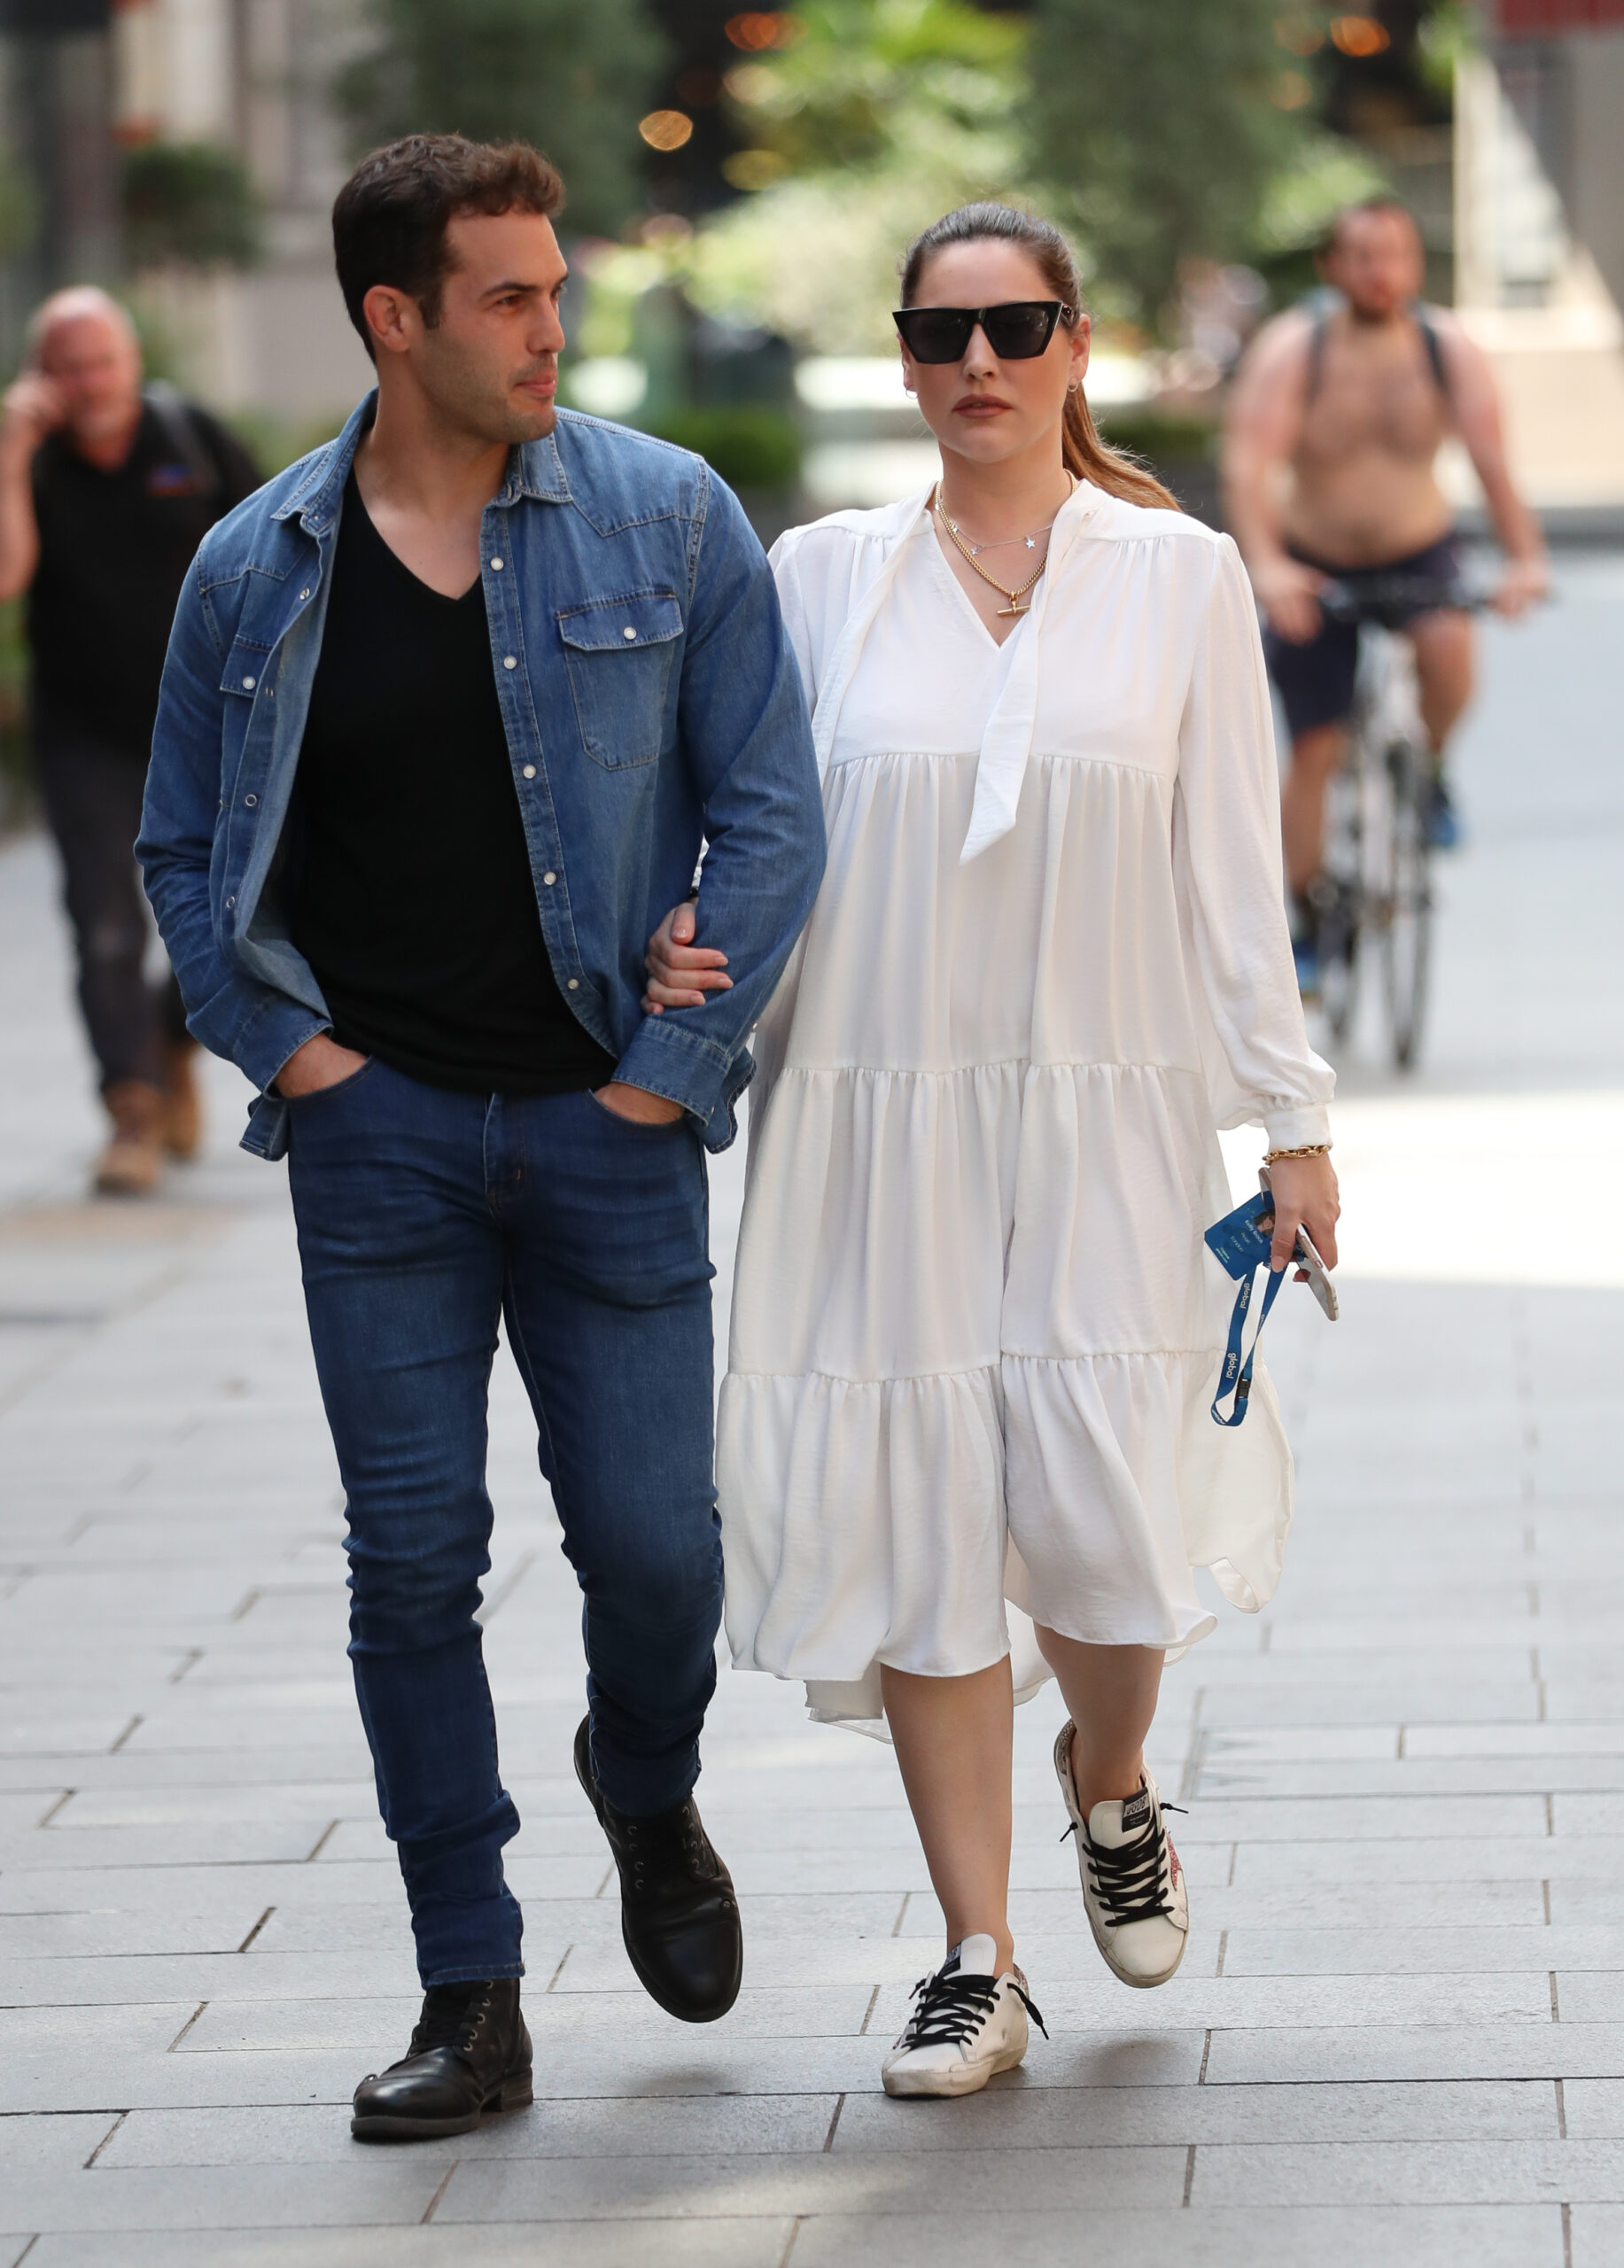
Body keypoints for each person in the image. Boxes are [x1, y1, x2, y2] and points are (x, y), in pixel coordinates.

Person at [137, 135, 824, 2140]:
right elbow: (179, 847)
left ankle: (644, 1781)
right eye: (509, 296)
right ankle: (470, 1986)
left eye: (553, 287)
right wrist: (296, 1057)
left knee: (658, 1553)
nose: (551, 328)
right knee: (412, 1563)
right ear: (395, 318)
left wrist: (666, 1072)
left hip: (611, 1126)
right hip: (384, 1146)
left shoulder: (666, 515)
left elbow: (769, 809)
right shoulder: (253, 565)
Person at [645, 203, 1339, 2099]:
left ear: (1074, 345)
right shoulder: (818, 575)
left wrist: (1288, 1122)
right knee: (923, 1510)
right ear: (900, 356)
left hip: (1109, 1105)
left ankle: (1107, 1777)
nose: (977, 363)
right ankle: (976, 1955)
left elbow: (1231, 871)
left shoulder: (1177, 573)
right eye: (941, 332)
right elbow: (746, 831)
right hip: (875, 1110)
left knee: (1107, 1517)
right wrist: (682, 955)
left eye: (1015, 327)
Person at [1222, 197, 1548, 980]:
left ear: (1413, 262)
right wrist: (1266, 565)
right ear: (1332, 267)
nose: (1381, 271)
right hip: (1313, 562)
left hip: (1417, 550)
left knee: (1448, 650)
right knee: (1314, 747)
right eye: (1363, 256)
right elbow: (1247, 464)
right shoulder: (1295, 348)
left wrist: (1524, 558)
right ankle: (1305, 919)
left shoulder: (1445, 348)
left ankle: (1427, 771)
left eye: (1395, 254)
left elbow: (1491, 459)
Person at [0, 289, 260, 1192]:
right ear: (41, 376)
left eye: (102, 362)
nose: (90, 383)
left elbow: (277, 549)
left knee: (238, 911)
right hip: (87, 735)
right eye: (68, 368)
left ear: (132, 360)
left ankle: (167, 1038)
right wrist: (11, 451)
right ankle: (132, 1108)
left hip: (206, 725)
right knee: (105, 925)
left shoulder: (191, 438)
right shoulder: (32, 464)